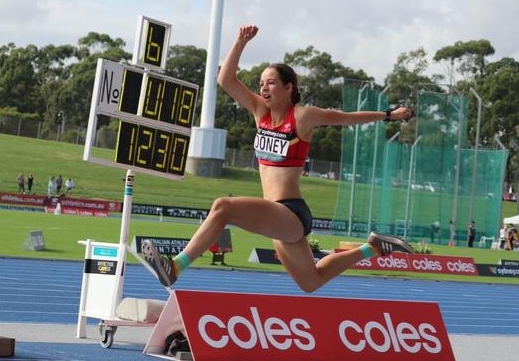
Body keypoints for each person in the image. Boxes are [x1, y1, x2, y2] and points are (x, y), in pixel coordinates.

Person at [140, 25, 414, 292]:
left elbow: (346, 119)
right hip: (276, 217)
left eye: (270, 82)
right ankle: (373, 247)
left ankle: (175, 266)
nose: (263, 88)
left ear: (288, 87)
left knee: (223, 207)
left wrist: (388, 115)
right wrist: (240, 42)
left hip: (291, 211)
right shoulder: (261, 112)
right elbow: (225, 80)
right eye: (261, 84)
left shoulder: (303, 116)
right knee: (311, 282)